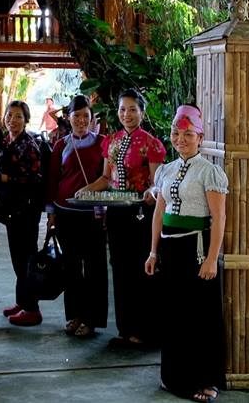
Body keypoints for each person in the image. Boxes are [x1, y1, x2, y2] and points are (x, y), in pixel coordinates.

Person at [145, 105, 227, 402]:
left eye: (188, 134)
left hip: (197, 249)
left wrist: (211, 258)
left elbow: (219, 218)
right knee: (174, 315)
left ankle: (207, 380)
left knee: (200, 317)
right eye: (176, 134)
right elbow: (159, 213)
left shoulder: (209, 172)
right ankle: (174, 377)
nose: (181, 139)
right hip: (171, 250)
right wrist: (153, 252)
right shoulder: (166, 170)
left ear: (200, 137)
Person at [80, 88, 166, 349]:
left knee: (140, 269)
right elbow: (106, 178)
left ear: (141, 112)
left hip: (141, 213)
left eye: (131, 109)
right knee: (119, 267)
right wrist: (86, 190)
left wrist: (151, 192)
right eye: (122, 109)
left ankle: (144, 330)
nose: (126, 114)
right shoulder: (112, 141)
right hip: (116, 211)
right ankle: (125, 329)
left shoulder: (152, 143)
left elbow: (156, 182)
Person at [47, 95, 107, 338]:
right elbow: (53, 180)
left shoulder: (103, 143)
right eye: (76, 116)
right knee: (71, 267)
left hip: (92, 215)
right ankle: (74, 315)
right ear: (68, 118)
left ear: (92, 119)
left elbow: (108, 179)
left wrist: (104, 211)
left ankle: (92, 320)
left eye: (86, 116)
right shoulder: (61, 145)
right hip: (65, 214)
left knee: (94, 268)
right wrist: (51, 213)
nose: (81, 120)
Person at [0, 100, 45, 327]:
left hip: (26, 210)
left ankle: (32, 309)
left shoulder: (28, 145)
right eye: (9, 116)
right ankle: (23, 302)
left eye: (18, 116)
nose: (13, 120)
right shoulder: (11, 141)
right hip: (14, 209)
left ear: (26, 119)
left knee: (26, 258)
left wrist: (3, 178)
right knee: (18, 258)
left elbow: (34, 179)